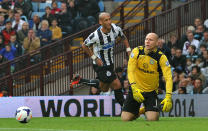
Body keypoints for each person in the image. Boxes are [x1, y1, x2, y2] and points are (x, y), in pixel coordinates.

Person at [82, 12, 131, 107]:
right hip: (100, 64)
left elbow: (123, 37)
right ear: (100, 22)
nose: (109, 22)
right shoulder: (95, 35)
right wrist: (95, 58)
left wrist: (128, 50)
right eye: (106, 20)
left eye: (109, 19)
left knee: (104, 88)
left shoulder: (115, 29)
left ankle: (81, 80)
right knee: (117, 84)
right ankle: (126, 108)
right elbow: (84, 45)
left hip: (110, 62)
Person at [121, 33, 173, 121]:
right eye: (146, 39)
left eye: (151, 40)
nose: (147, 41)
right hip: (136, 89)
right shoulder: (137, 51)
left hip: (151, 92)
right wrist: (133, 87)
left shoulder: (161, 57)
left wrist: (168, 96)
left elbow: (168, 77)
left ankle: (147, 109)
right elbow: (130, 70)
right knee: (125, 119)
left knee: (152, 119)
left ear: (157, 43)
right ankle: (141, 111)